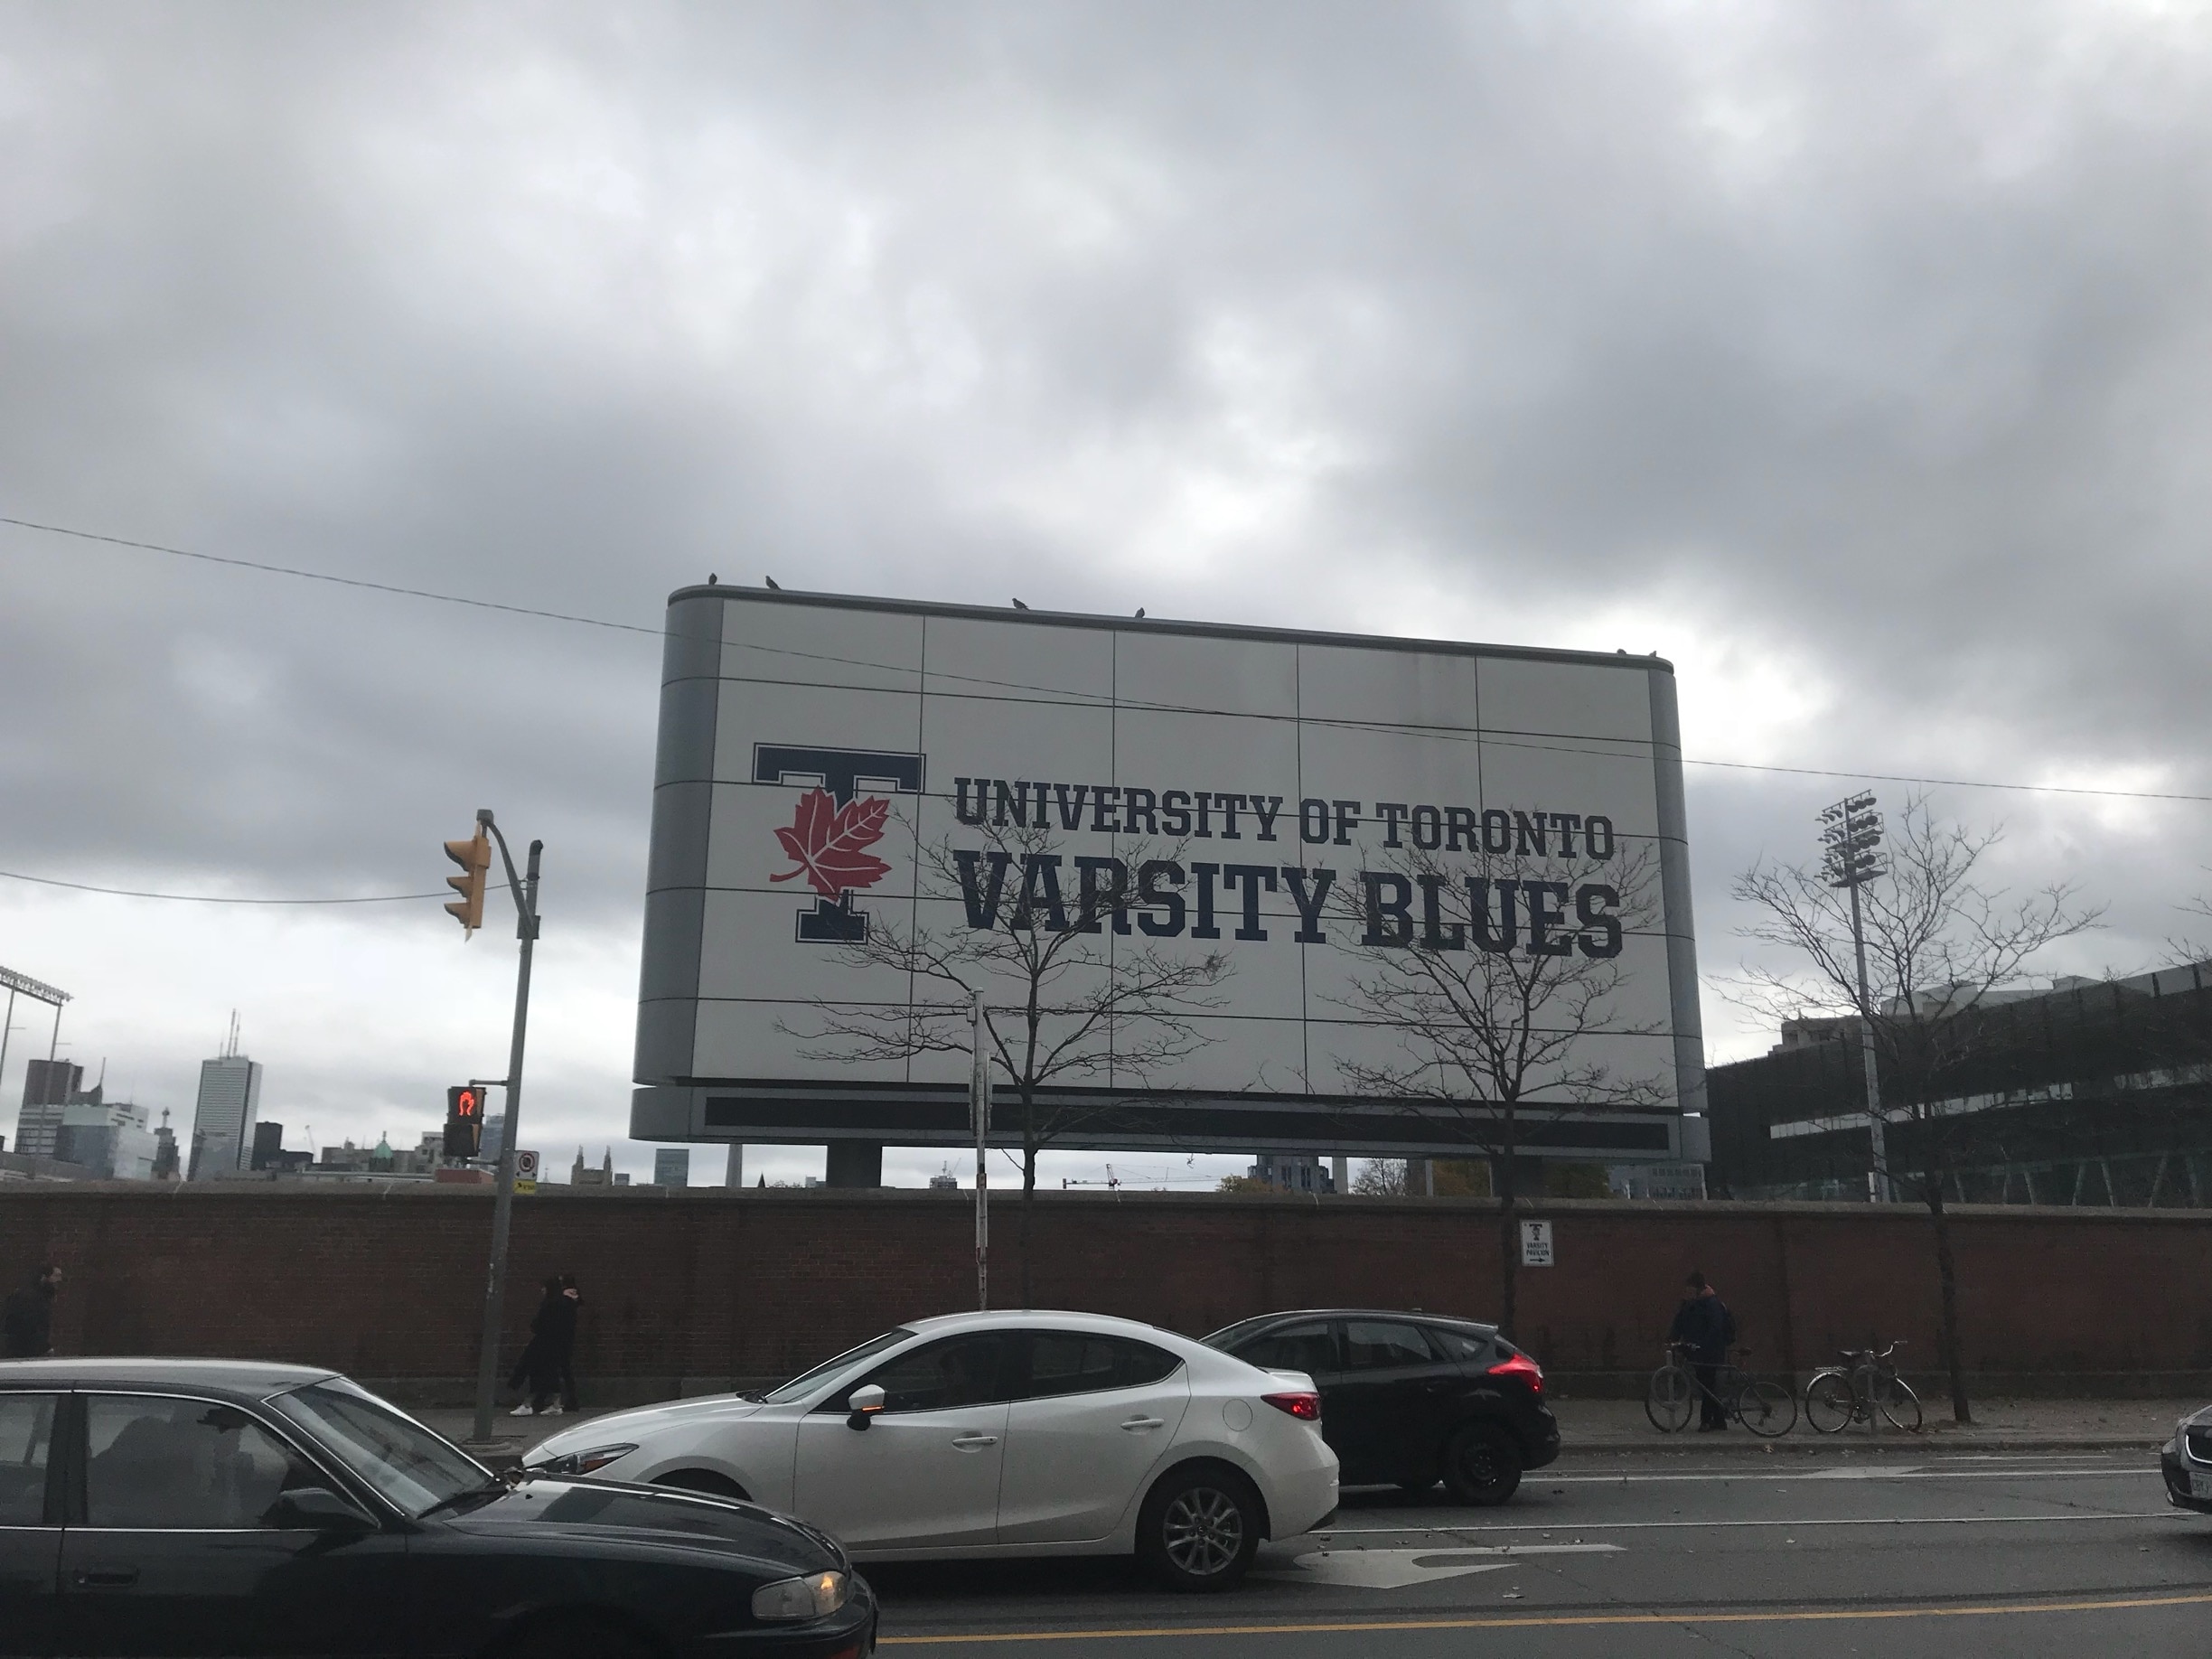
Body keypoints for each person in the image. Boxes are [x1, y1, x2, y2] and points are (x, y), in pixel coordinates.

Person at [1669, 1270, 1737, 1431]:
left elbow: (1715, 1328)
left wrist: (1702, 1344)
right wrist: (1672, 1339)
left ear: (1697, 1288)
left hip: (1710, 1351)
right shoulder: (1691, 1304)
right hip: (1698, 1351)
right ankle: (1719, 1420)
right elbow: (1681, 1321)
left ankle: (1707, 1421)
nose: (1687, 1292)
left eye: (1690, 1289)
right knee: (1708, 1385)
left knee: (1707, 1384)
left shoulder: (1711, 1304)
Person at [509, 1277, 564, 1417]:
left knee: (538, 1373)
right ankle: (553, 1404)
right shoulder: (558, 1304)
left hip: (544, 1344)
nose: (542, 1290)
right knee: (549, 1374)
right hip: (553, 1344)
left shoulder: (550, 1305)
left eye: (544, 1287)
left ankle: (529, 1404)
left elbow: (539, 1324)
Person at [2, 1265, 61, 1359]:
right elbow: (31, 1325)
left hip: (20, 1347)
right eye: (56, 1276)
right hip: (23, 1349)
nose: (59, 1280)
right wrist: (44, 1347)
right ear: (44, 1277)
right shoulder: (33, 1299)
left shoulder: (33, 1295)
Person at [553, 1274, 583, 1412]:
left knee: (561, 1370)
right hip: (569, 1338)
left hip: (561, 1338)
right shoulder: (575, 1297)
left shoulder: (563, 1299)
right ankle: (572, 1400)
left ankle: (564, 1401)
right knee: (566, 1371)